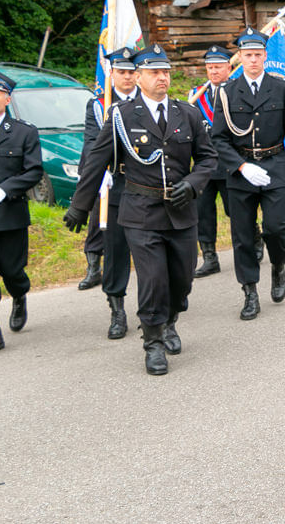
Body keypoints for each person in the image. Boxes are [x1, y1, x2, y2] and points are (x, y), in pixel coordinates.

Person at [63, 45, 218, 375]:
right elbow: (96, 162)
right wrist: (80, 206)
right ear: (139, 76)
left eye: (165, 72)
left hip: (181, 211)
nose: (162, 77)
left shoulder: (186, 113)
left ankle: (171, 319)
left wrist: (192, 184)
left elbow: (207, 159)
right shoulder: (121, 115)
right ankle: (153, 342)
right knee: (152, 280)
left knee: (182, 279)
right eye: (154, 72)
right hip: (140, 212)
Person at [211, 28, 285, 320]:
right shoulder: (227, 92)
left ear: (265, 56)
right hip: (241, 171)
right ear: (240, 57)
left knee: (275, 229)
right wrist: (241, 166)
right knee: (242, 236)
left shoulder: (281, 87)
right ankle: (250, 291)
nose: (253, 60)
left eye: (257, 55)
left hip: (276, 165)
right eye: (248, 55)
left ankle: (278, 266)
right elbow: (218, 138)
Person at [81, 48, 137, 339]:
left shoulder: (147, 100)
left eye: (131, 72)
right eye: (121, 72)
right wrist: (99, 172)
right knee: (115, 250)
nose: (127, 77)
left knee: (149, 249)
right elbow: (92, 142)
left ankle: (154, 307)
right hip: (114, 186)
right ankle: (117, 309)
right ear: (111, 74)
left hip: (145, 186)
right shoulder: (98, 105)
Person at [0, 68, 43, 356]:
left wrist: (2, 190)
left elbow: (33, 171)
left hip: (9, 212)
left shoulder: (24, 132)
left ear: (7, 99)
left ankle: (19, 294)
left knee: (11, 270)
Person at [190, 45, 233, 278]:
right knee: (202, 212)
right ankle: (209, 257)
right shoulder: (197, 95)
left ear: (229, 67)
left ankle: (252, 240)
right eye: (209, 67)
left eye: (218, 67)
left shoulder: (236, 90)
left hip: (228, 163)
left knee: (234, 209)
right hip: (204, 165)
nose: (213, 71)